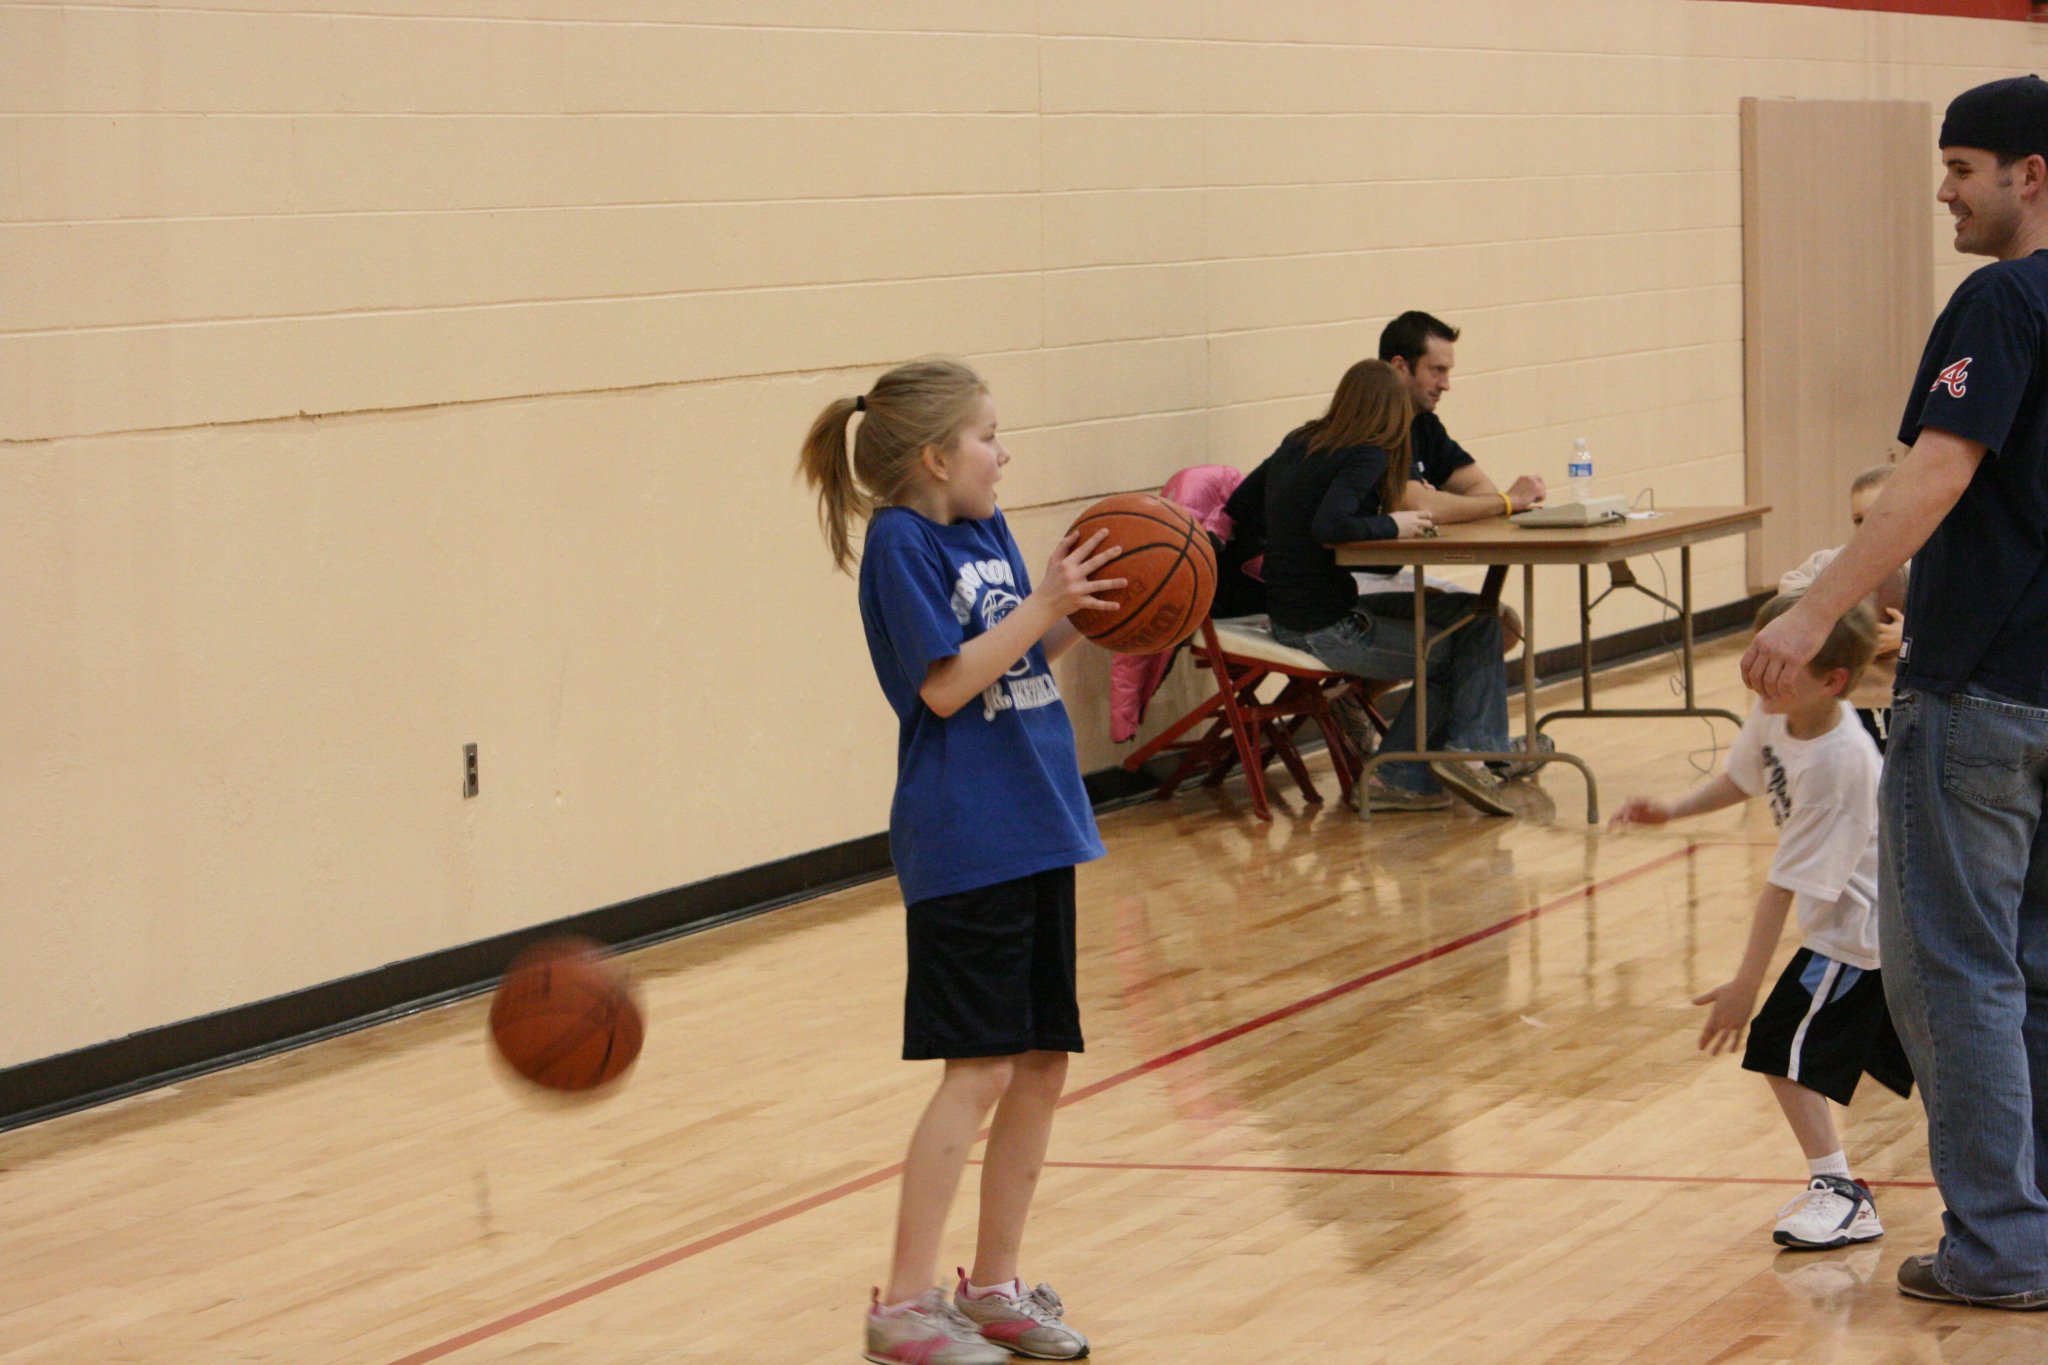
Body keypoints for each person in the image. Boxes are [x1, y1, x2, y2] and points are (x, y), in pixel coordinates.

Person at [1742, 74, 2048, 1310]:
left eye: (1964, 166)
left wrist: (1819, 606)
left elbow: (1936, 471)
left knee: (1958, 975)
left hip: (1978, 696)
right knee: (2031, 969)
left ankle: (2001, 1247)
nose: (1943, 190)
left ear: (2031, 174)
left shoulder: (2000, 296)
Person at [798, 358, 1114, 1362]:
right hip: (966, 836)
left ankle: (996, 1287)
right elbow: (942, 687)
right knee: (974, 1070)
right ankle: (901, 1304)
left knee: (1039, 1064)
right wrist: (1038, 604)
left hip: (1036, 819)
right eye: (987, 435)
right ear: (935, 455)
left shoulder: (981, 530)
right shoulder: (900, 544)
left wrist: (1097, 605)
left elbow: (1011, 657)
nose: (1002, 451)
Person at [1616, 594, 1911, 1251]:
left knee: (1782, 1041)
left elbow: (1782, 884)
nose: (1755, 672)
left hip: (1863, 934)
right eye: (1755, 656)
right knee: (1916, 1056)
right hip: (1846, 924)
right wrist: (1672, 809)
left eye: (1775, 664)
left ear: (1832, 681)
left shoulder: (1843, 761)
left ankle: (1839, 1189)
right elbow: (1745, 776)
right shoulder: (1778, 708)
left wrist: (1746, 985)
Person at [1224, 358, 1514, 814]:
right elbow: (1330, 525)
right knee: (1454, 652)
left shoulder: (1299, 441)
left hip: (1293, 613)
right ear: (1393, 411)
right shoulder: (1368, 451)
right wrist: (1392, 524)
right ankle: (1401, 776)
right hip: (1324, 627)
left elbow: (1242, 503)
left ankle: (1477, 748)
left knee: (1475, 616)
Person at [1777, 463, 1910, 750]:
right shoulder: (1833, 563)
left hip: (1903, 700)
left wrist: (1908, 637)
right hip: (1848, 699)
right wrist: (1833, 617)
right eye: (1859, 520)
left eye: (1877, 516)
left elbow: (1959, 628)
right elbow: (1789, 589)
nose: (1867, 528)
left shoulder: (1926, 565)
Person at [1378, 310, 1547, 523]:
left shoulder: (1424, 423)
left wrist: (1440, 501)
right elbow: (1421, 508)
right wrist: (1508, 500)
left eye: (1447, 372)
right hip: (1347, 556)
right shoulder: (1375, 424)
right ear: (1400, 367)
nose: (1445, 385)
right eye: (1436, 370)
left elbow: (1480, 487)